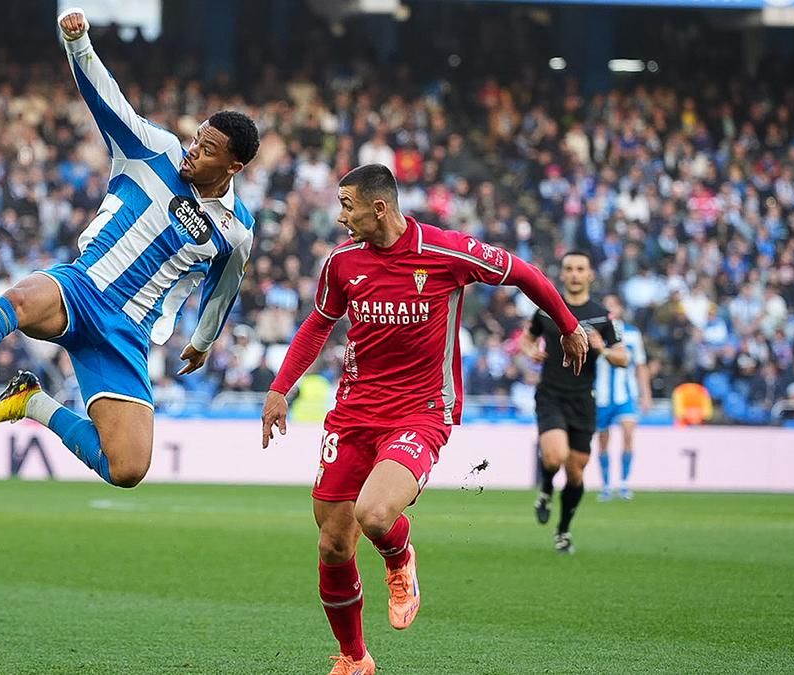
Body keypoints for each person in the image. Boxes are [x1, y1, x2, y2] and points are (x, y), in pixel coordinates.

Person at [0, 8, 260, 488]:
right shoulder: (155, 150)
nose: (194, 150)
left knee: (127, 469)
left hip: (127, 332)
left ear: (234, 167)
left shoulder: (237, 231)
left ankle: (30, 402)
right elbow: (108, 101)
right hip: (83, 287)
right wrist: (79, 45)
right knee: (20, 300)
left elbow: (223, 290)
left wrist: (202, 342)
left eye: (209, 149)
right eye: (198, 138)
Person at [261, 164, 588, 675]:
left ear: (379, 208)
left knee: (374, 515)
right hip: (353, 414)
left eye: (347, 205)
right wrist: (280, 388)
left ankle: (399, 559)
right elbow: (318, 323)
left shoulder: (445, 251)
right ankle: (354, 658)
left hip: (421, 412)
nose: (340, 216)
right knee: (333, 543)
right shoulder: (342, 263)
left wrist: (567, 325)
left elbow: (523, 272)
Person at [521, 252, 628, 554]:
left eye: (581, 269)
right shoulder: (547, 310)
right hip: (551, 394)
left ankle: (563, 530)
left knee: (577, 472)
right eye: (569, 269)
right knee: (554, 455)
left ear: (590, 275)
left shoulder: (603, 316)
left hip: (583, 399)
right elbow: (526, 339)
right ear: (563, 274)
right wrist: (530, 351)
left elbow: (624, 357)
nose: (575, 274)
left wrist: (602, 349)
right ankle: (545, 489)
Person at [595, 293, 650, 501]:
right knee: (603, 440)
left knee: (628, 434)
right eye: (606, 306)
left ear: (620, 309)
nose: (610, 309)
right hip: (601, 396)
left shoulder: (632, 334)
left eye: (613, 305)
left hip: (626, 395)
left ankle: (625, 483)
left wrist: (646, 394)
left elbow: (641, 365)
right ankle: (606, 485)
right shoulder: (595, 334)